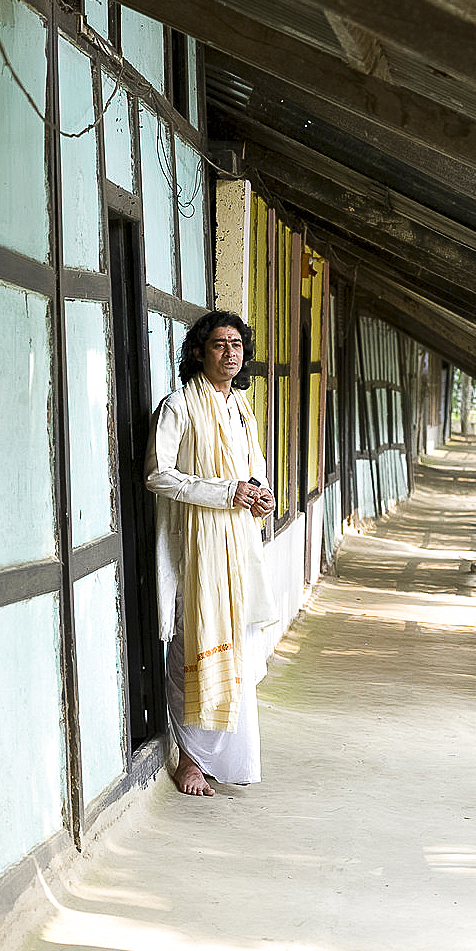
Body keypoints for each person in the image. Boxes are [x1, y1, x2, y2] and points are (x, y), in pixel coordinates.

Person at [145, 311, 277, 796]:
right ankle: (188, 759)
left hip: (237, 547)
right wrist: (226, 493)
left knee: (235, 651)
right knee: (188, 646)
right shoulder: (178, 406)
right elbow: (158, 474)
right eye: (219, 344)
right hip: (193, 546)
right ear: (198, 351)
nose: (230, 353)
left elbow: (254, 467)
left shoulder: (242, 409)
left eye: (237, 345)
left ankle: (223, 756)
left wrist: (260, 494)